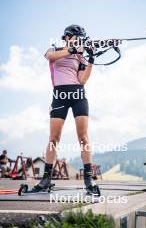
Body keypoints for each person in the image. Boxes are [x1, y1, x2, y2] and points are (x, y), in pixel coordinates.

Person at [34, 25, 100, 195]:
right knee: (53, 138)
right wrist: (72, 49)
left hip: (78, 95)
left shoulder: (80, 57)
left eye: (80, 38)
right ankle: (46, 179)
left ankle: (88, 179)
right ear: (67, 37)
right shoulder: (54, 49)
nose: (78, 40)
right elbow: (50, 56)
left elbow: (82, 79)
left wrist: (90, 59)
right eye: (75, 37)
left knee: (84, 138)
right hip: (59, 95)